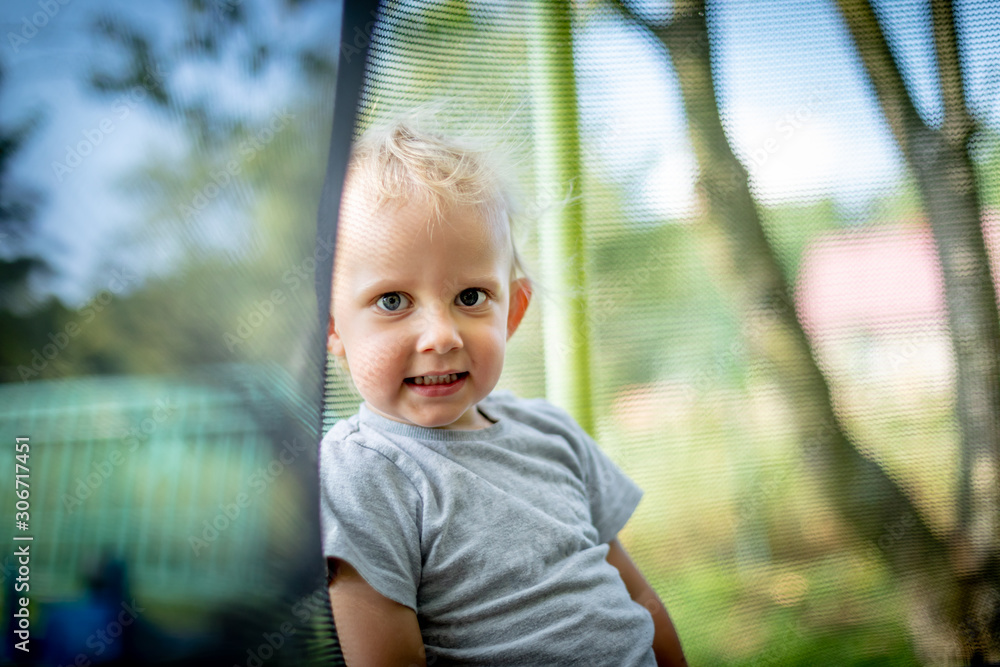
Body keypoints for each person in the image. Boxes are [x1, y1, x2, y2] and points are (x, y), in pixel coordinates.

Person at [320, 120, 687, 666]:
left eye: (471, 295)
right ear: (331, 329)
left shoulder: (550, 432)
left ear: (512, 311)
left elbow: (639, 598)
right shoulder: (364, 473)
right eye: (393, 301)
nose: (442, 336)